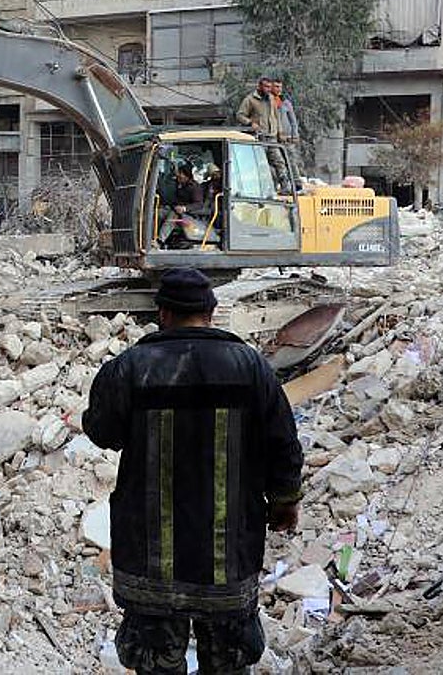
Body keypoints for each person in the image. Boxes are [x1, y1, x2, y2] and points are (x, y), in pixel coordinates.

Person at [82, 268, 303, 675]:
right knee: (228, 666)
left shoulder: (129, 368)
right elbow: (283, 443)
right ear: (211, 313)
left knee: (157, 665)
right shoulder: (251, 367)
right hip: (227, 560)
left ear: (163, 314)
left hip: (151, 563)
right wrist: (284, 501)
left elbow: (102, 433)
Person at [236, 76, 289, 188]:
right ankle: (266, 186)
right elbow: (240, 115)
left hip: (272, 137)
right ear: (259, 86)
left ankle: (285, 186)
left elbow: (276, 116)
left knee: (279, 162)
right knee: (261, 164)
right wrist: (250, 123)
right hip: (259, 138)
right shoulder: (250, 99)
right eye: (266, 86)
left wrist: (280, 132)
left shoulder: (271, 99)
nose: (268, 89)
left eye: (270, 87)